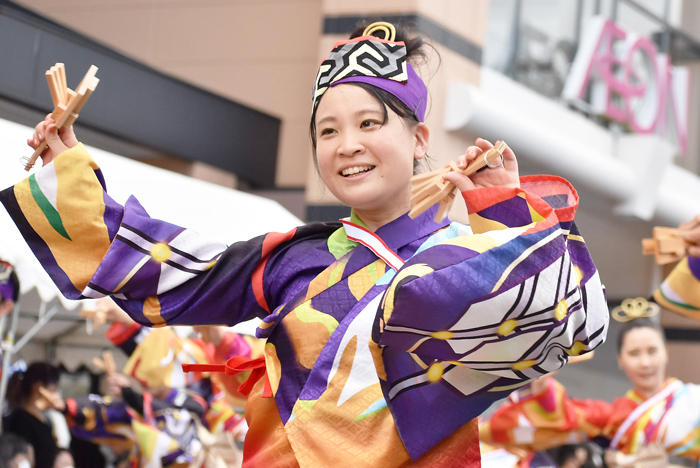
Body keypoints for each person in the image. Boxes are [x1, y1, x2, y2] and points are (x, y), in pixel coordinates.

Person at [1, 20, 609, 467]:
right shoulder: (293, 256)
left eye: (370, 124)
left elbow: (575, 318)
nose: (347, 144)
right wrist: (69, 172)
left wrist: (502, 204)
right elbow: (166, 265)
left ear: (420, 135)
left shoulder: (464, 252)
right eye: (328, 130)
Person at [479, 315, 700, 466]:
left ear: (666, 352)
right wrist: (542, 388)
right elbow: (565, 416)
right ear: (620, 360)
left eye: (652, 351)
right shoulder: (612, 416)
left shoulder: (694, 400)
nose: (645, 362)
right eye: (634, 354)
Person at [3, 362, 64, 468]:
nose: (56, 394)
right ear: (38, 387)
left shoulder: (46, 419)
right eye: (54, 389)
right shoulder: (20, 420)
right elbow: (25, 459)